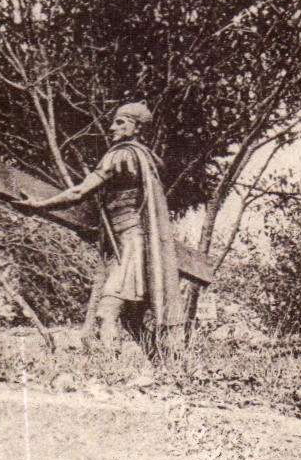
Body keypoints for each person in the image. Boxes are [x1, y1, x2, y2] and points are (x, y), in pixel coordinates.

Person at [15, 103, 184, 350]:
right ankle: (165, 363)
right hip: (131, 241)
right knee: (131, 319)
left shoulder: (120, 154)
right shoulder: (146, 159)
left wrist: (39, 206)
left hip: (130, 244)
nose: (112, 127)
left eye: (121, 122)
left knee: (107, 313)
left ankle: (111, 371)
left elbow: (79, 191)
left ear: (137, 128)